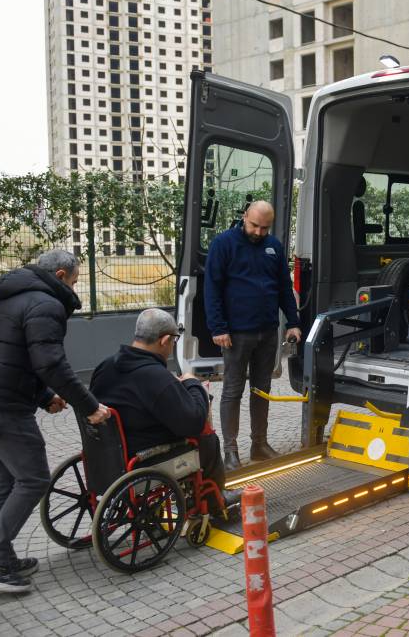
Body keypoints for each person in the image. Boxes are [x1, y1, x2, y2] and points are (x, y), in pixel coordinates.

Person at [0, 249, 110, 594]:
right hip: (2, 408)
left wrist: (44, 398)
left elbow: (13, 356)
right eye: (74, 279)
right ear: (59, 276)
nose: (75, 286)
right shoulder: (46, 305)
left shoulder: (9, 299)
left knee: (1, 482)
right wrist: (89, 406)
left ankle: (1, 557)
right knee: (34, 479)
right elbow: (51, 364)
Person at [89, 308, 241, 506]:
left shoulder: (104, 367)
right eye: (174, 340)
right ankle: (213, 500)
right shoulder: (154, 376)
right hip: (142, 457)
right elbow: (192, 422)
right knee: (207, 440)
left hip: (107, 454)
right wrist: (192, 384)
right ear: (164, 340)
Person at [204, 200, 301, 471]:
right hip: (235, 334)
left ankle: (259, 444)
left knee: (262, 390)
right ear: (244, 216)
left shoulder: (274, 247)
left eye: (264, 228)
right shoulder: (224, 244)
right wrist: (218, 327)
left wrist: (293, 322)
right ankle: (230, 451)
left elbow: (284, 286)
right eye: (254, 225)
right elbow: (213, 288)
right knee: (233, 391)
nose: (258, 232)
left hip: (267, 332)